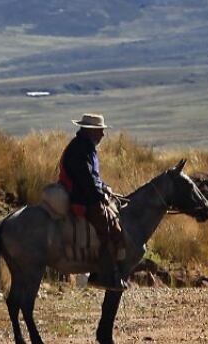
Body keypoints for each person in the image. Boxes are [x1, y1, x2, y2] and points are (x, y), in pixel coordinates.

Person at [58, 112, 126, 287]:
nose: (103, 134)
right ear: (91, 131)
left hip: (85, 192)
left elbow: (93, 178)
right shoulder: (80, 149)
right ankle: (100, 273)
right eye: (100, 131)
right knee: (108, 226)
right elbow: (86, 179)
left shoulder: (85, 146)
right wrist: (100, 194)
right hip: (81, 197)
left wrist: (105, 187)